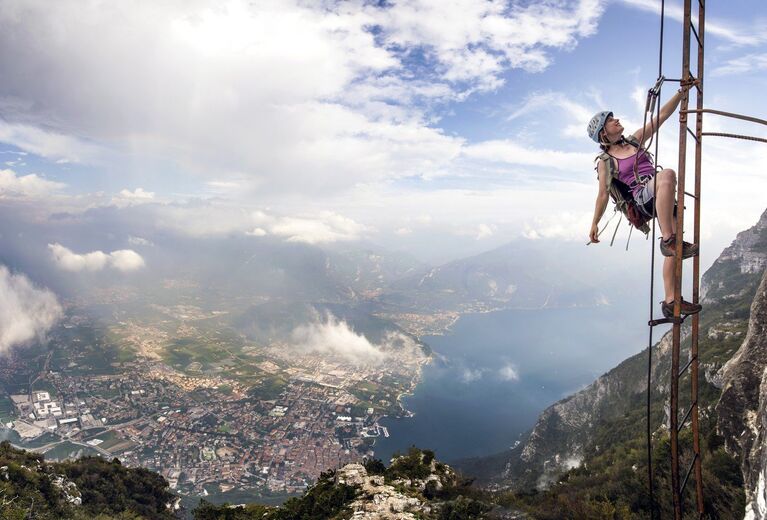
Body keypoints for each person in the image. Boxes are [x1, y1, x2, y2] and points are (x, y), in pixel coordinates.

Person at [587, 86, 701, 319]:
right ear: (603, 133)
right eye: (610, 120)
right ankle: (667, 240)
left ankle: (670, 301)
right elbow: (602, 194)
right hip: (643, 197)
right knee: (667, 174)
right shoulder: (606, 162)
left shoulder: (635, 140)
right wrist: (594, 223)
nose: (616, 119)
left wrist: (680, 93)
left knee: (676, 248)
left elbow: (660, 118)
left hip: (661, 194)